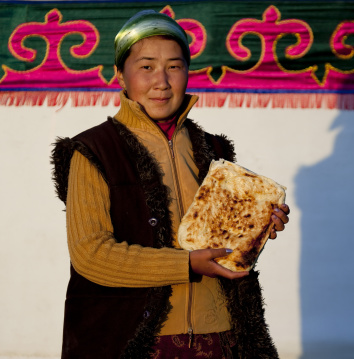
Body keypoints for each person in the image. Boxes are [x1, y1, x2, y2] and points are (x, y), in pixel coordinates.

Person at [51, 9, 289, 359]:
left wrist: (256, 229)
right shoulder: (93, 151)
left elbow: (223, 245)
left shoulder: (214, 150)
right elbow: (91, 254)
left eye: (174, 66)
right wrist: (185, 265)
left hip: (221, 337)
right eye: (146, 66)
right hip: (133, 341)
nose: (161, 81)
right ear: (120, 75)